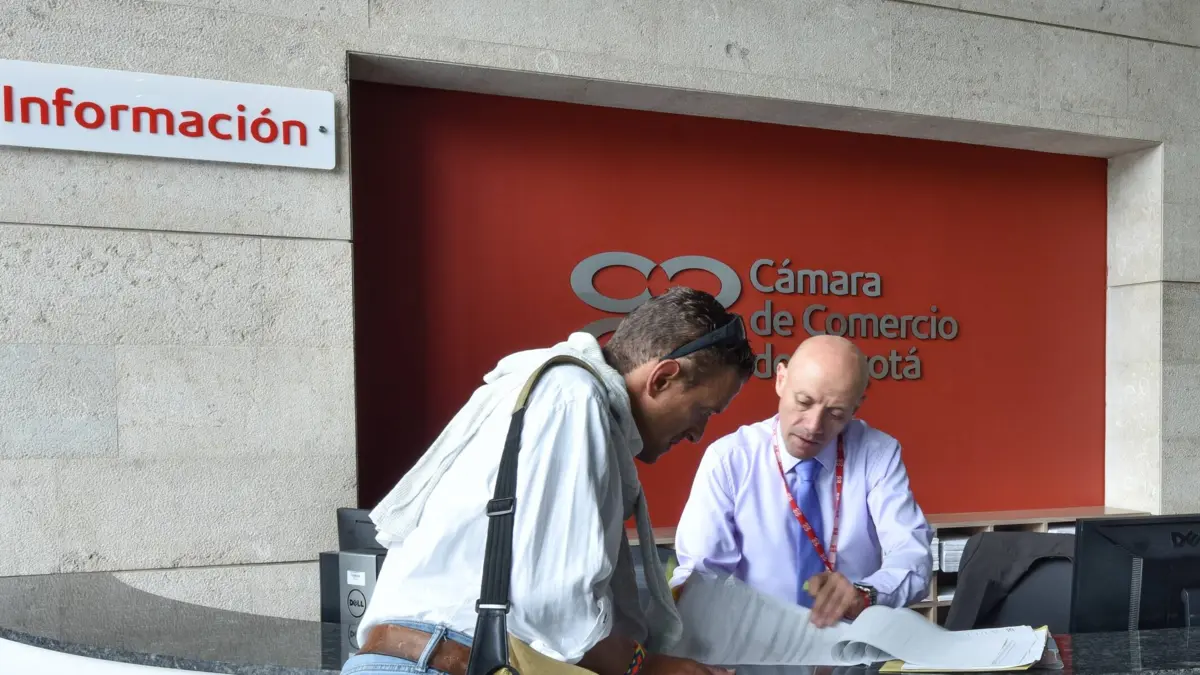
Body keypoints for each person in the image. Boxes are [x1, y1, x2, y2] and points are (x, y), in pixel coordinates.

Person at [343, 286, 756, 675]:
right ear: (662, 377)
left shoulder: (547, 392)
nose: (699, 433)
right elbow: (557, 610)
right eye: (704, 411)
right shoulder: (573, 398)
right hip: (442, 661)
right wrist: (645, 667)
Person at [669, 334, 933, 628]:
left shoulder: (878, 454)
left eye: (836, 414)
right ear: (781, 380)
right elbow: (703, 575)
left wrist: (866, 594)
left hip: (850, 640)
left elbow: (913, 557)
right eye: (804, 402)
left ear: (856, 407)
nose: (813, 426)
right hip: (756, 641)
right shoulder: (730, 459)